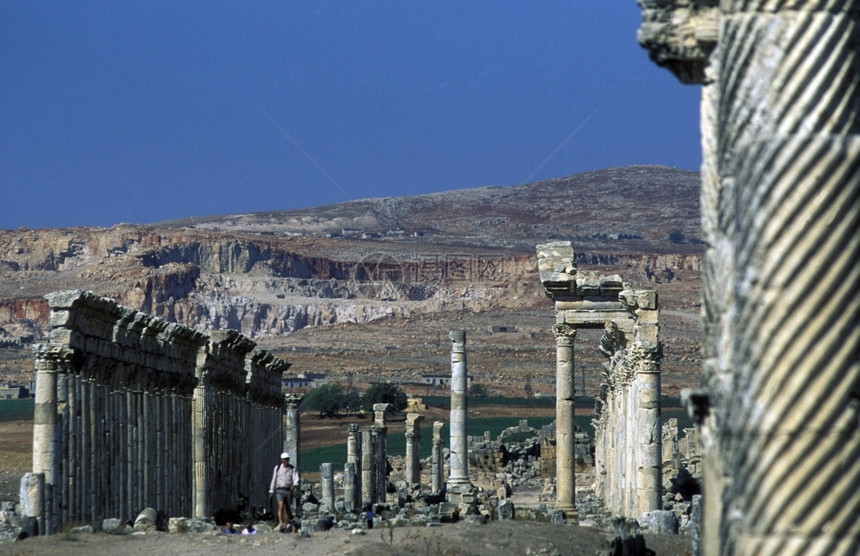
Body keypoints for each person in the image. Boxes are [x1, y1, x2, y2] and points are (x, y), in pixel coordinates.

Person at [269, 451, 300, 533]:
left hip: (288, 490)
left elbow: (296, 478)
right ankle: (281, 522)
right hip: (279, 489)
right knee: (281, 505)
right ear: (282, 460)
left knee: (287, 508)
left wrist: (294, 485)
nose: (286, 460)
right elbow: (274, 479)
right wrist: (271, 490)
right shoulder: (278, 468)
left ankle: (285, 523)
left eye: (287, 459)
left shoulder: (292, 468)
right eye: (285, 459)